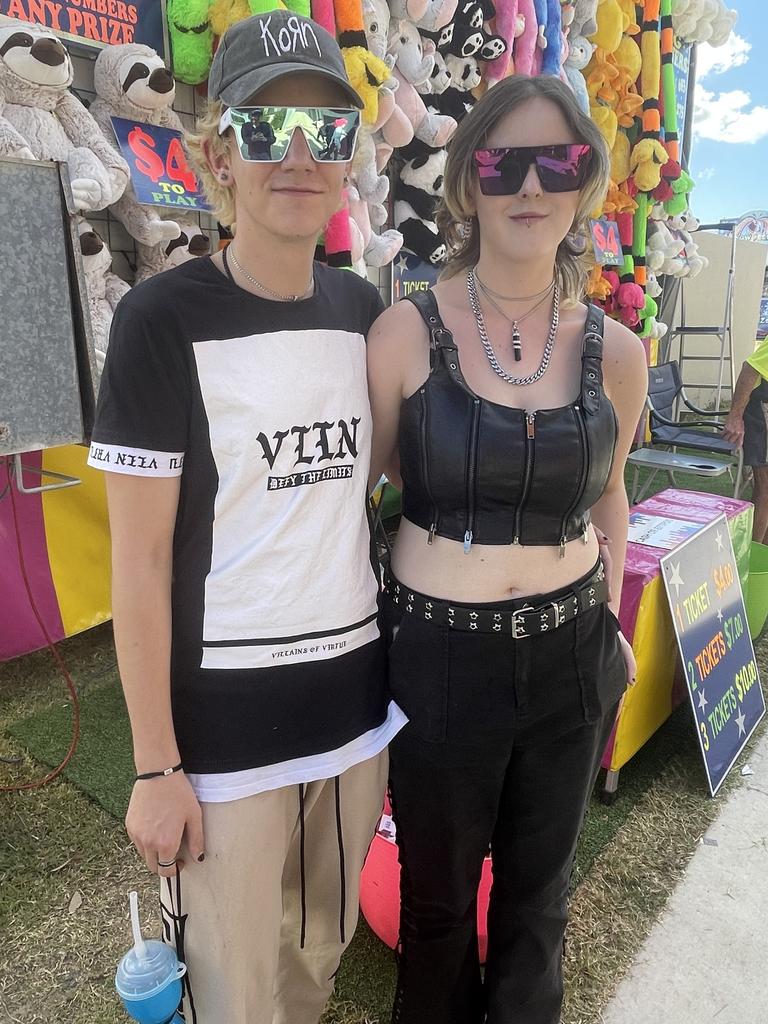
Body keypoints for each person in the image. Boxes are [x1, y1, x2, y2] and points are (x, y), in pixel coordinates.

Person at [87, 12, 405, 1024]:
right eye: (267, 129)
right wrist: (154, 766)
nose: (300, 156)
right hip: (220, 746)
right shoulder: (158, 321)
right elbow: (134, 565)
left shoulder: (368, 313)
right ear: (216, 153)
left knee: (315, 972)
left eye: (327, 131)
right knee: (233, 998)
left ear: (352, 158)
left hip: (353, 727)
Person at [366, 75, 647, 1024]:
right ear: (467, 183)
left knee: (539, 905)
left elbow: (610, 500)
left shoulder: (620, 353)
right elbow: (372, 487)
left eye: (557, 162)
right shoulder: (402, 332)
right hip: (439, 659)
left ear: (586, 184)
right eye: (503, 162)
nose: (531, 186)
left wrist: (612, 623)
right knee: (438, 911)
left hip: (571, 656)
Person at [722, 339, 768, 541]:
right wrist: (735, 416)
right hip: (762, 409)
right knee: (765, 488)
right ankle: (753, 556)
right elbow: (749, 369)